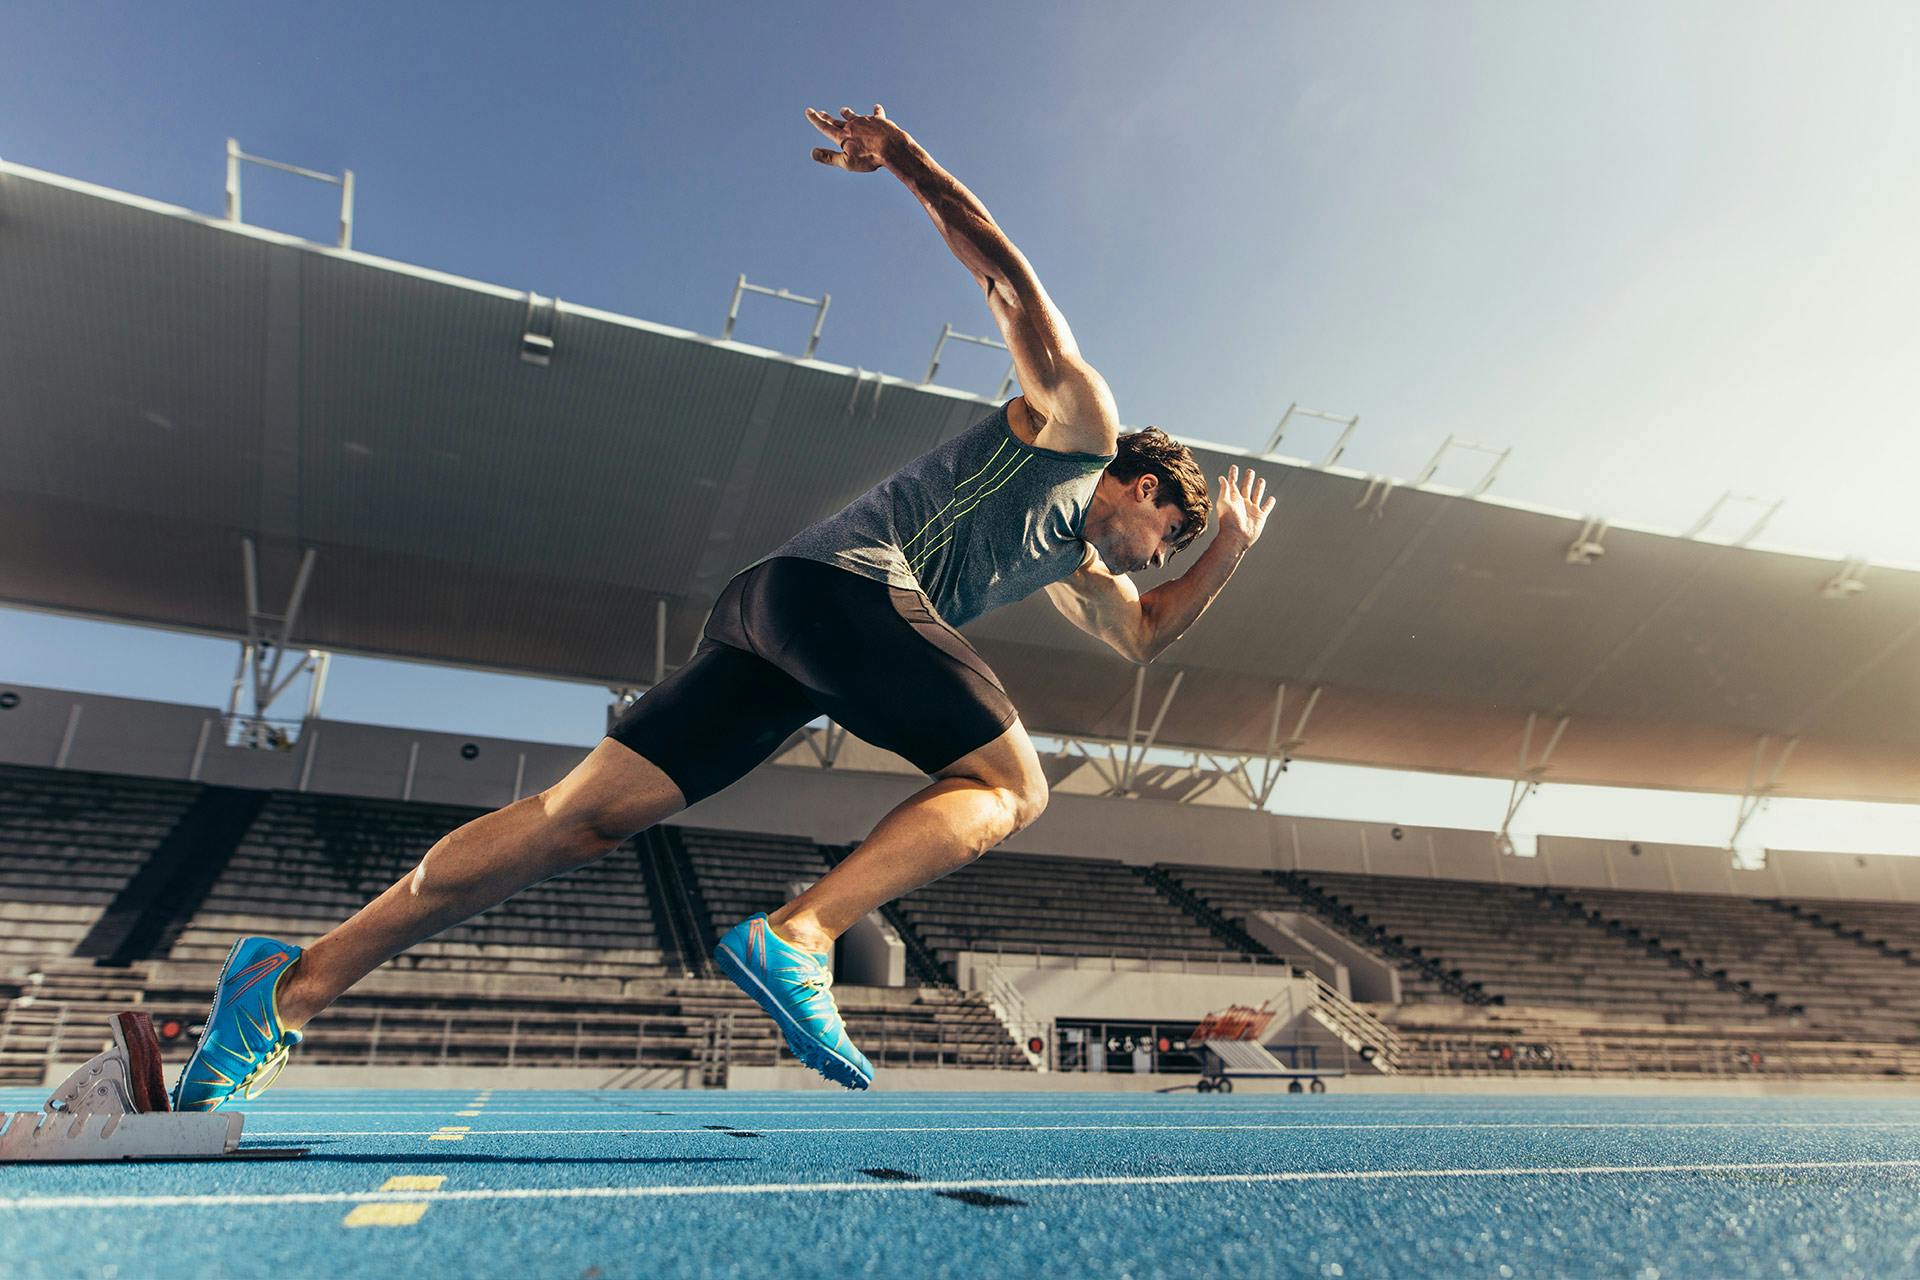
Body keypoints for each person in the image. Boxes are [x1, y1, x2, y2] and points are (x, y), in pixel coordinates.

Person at [171, 104, 1275, 1107]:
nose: (1158, 553)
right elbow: (1008, 280)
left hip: (776, 624)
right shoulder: (1077, 424)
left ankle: (285, 988)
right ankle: (802, 934)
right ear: (1144, 484)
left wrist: (1225, 549)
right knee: (1010, 784)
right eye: (1172, 529)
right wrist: (905, 162)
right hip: (840, 590)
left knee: (576, 819)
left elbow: (1146, 632)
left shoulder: (1076, 564)